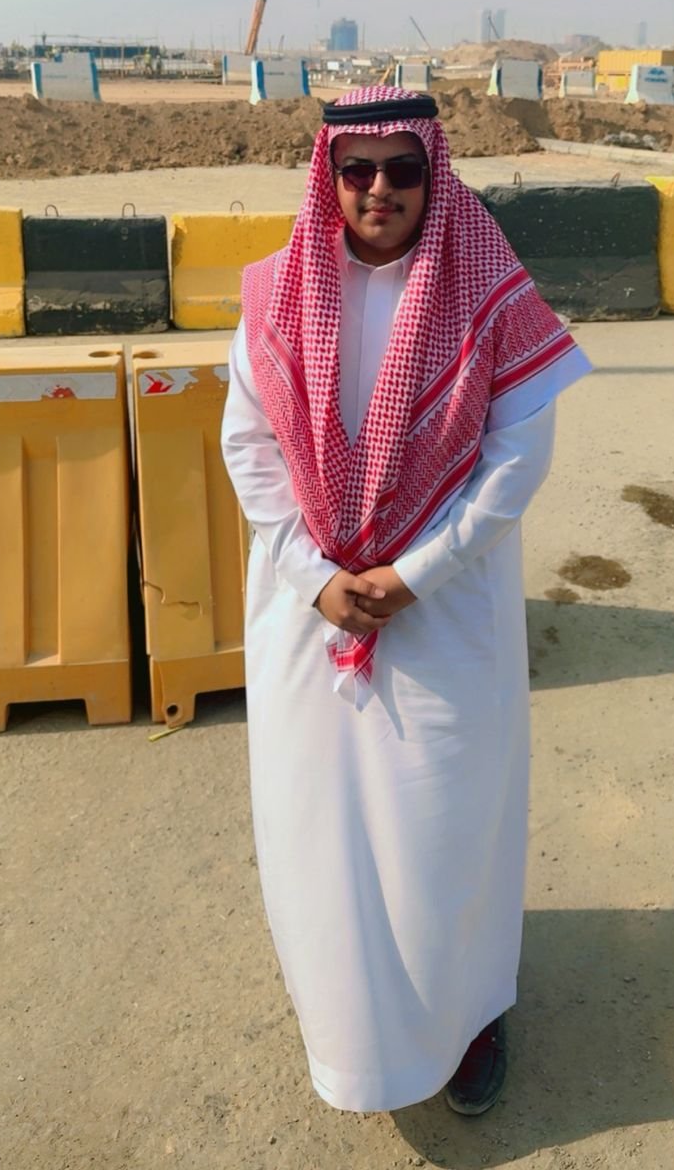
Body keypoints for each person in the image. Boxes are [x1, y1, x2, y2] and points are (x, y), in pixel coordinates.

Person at [221, 84, 591, 1116]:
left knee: (444, 827)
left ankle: (467, 1017)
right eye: (358, 168)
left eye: (402, 168)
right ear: (329, 175)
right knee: (322, 834)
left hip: (443, 613)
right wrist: (316, 578)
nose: (378, 188)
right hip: (310, 612)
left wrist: (413, 573)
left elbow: (517, 457)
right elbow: (247, 446)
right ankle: (348, 1033)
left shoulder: (487, 288)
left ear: (435, 172)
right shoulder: (277, 292)